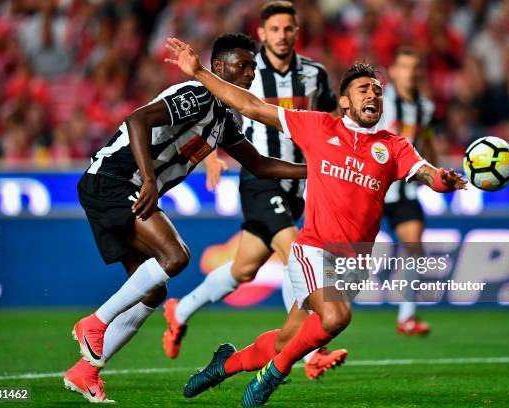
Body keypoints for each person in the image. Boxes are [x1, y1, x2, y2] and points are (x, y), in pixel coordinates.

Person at [164, 37, 467, 406]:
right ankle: (272, 375)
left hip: (353, 261)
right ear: (344, 101)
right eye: (362, 89)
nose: (372, 95)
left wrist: (443, 180)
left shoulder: (395, 146)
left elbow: (427, 175)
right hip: (313, 249)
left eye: (376, 90)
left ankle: (224, 364)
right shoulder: (319, 127)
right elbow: (251, 105)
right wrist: (197, 71)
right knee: (337, 316)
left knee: (287, 338)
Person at [63, 33, 307, 404]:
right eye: (242, 66)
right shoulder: (199, 95)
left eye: (253, 68)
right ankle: (93, 324)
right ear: (219, 67)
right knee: (175, 257)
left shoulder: (223, 119)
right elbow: (137, 119)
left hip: (119, 185)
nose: (249, 75)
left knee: (153, 289)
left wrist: (316, 169)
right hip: (113, 180)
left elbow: (259, 164)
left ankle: (85, 372)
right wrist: (147, 178)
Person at [162, 1, 346, 380]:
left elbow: (328, 123)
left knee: (244, 269)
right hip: (259, 176)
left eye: (288, 29)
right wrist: (210, 153)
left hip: (298, 183)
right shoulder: (245, 71)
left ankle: (179, 312)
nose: (282, 36)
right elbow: (212, 103)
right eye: (274, 29)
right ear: (262, 33)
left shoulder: (315, 74)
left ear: (297, 32)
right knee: (295, 250)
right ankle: (312, 352)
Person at [376, 48, 437, 335]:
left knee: (414, 245)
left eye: (415, 67)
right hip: (372, 188)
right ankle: (318, 314)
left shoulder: (424, 107)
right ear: (394, 71)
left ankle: (407, 317)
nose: (410, 73)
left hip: (405, 190)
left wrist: (435, 173)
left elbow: (425, 139)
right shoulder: (378, 102)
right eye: (404, 67)